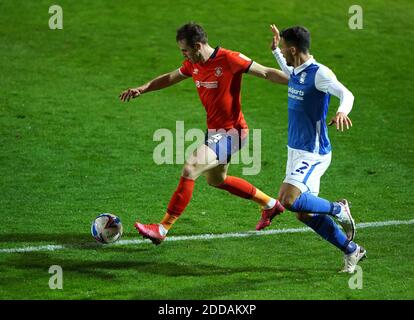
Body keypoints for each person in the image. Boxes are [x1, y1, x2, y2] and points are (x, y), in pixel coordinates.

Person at [120, 22, 288, 245]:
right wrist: (144, 88)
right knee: (217, 180)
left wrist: (301, 83)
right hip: (215, 133)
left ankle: (162, 227)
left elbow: (266, 72)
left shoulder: (230, 59)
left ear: (197, 46)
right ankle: (270, 204)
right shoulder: (193, 64)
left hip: (232, 133)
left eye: (185, 51)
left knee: (191, 167)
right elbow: (170, 77)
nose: (184, 56)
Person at [255, 24, 366, 273]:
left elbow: (347, 94)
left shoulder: (320, 74)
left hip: (313, 153)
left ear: (293, 49)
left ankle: (339, 208)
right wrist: (274, 51)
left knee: (287, 199)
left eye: (284, 48)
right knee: (305, 214)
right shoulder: (297, 70)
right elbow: (291, 74)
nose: (282, 52)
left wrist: (341, 111)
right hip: (294, 150)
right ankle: (352, 250)